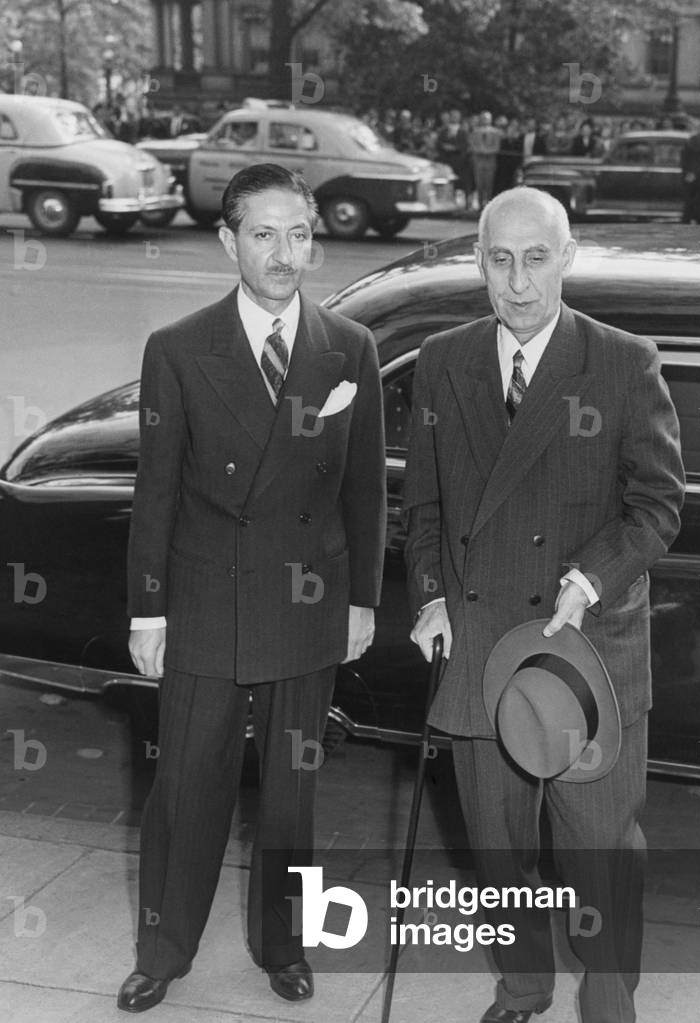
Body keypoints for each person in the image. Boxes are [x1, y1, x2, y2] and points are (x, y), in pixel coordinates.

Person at [403, 186, 684, 1023]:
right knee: (499, 853)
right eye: (499, 259)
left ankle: (607, 1005)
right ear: (478, 262)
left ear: (566, 258)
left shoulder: (624, 361)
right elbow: (422, 509)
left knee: (600, 854)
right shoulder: (441, 362)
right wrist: (429, 599)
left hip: (584, 655)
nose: (518, 282)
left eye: (535, 259)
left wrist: (592, 574)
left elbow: (659, 505)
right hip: (482, 655)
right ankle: (523, 989)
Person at [117, 164, 386, 1013]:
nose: (283, 253)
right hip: (204, 602)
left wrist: (361, 602)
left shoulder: (350, 347)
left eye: (298, 234)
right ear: (228, 240)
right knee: (185, 787)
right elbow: (154, 493)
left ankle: (286, 944)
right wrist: (148, 609)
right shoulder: (179, 348)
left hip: (309, 604)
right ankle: (162, 950)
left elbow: (363, 492)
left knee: (292, 796)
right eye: (263, 234)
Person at [469, 110, 503, 210]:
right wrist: (480, 151)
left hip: (490, 162)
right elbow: (473, 146)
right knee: (479, 184)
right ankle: (480, 204)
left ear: (491, 120)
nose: (485, 120)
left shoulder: (495, 132)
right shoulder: (475, 132)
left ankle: (488, 205)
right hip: (478, 162)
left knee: (489, 184)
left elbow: (496, 147)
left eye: (487, 118)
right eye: (484, 118)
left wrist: (486, 151)